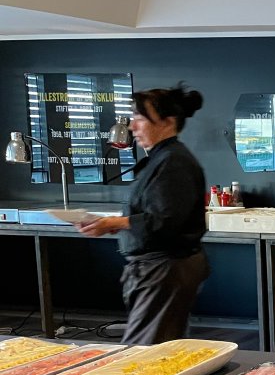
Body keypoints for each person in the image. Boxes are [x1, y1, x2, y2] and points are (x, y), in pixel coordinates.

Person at [78, 84, 209, 345]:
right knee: (159, 345)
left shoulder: (173, 162)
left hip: (165, 267)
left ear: (167, 122)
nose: (133, 127)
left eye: (139, 119)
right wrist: (121, 225)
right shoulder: (162, 158)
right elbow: (153, 214)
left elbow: (164, 221)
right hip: (160, 268)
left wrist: (114, 222)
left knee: (143, 350)